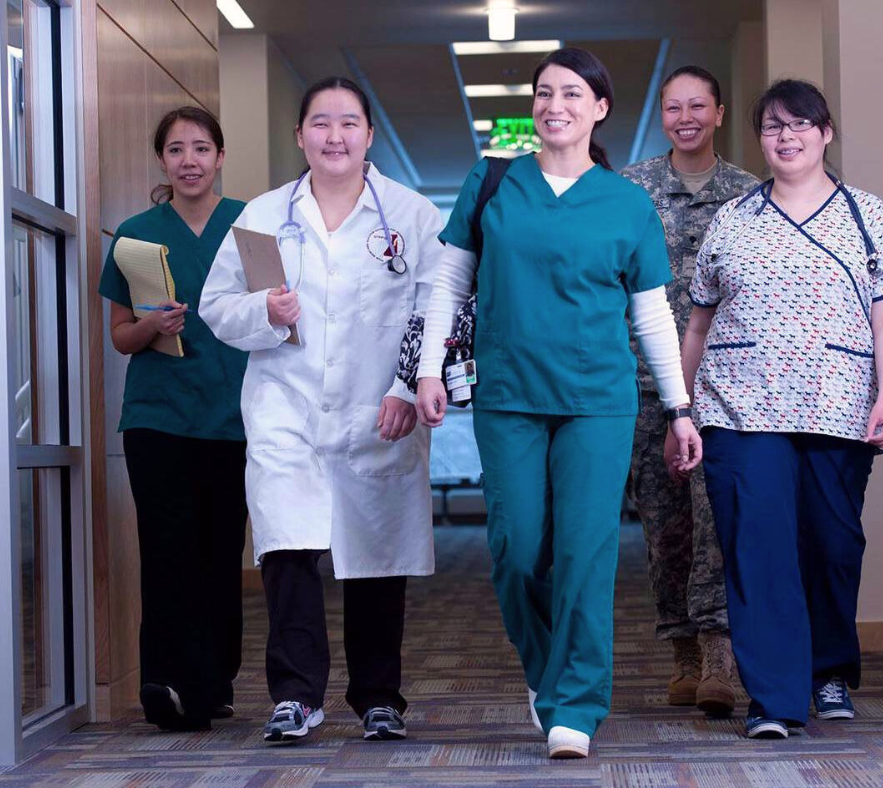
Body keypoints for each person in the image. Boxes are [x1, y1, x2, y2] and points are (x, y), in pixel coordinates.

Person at [415, 47, 701, 759]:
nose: (554, 105)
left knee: (585, 551)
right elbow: (449, 284)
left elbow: (652, 316)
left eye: (572, 94)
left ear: (599, 108)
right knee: (516, 550)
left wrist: (679, 406)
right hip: (507, 393)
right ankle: (548, 675)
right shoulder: (492, 181)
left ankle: (577, 700)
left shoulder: (627, 202)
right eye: (544, 93)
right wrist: (426, 370)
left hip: (596, 399)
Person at [199, 77, 442, 745]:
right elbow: (219, 307)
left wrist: (404, 389)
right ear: (301, 134)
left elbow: (434, 309)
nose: (335, 136)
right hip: (287, 404)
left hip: (378, 408)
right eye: (321, 123)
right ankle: (297, 696)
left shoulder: (412, 215)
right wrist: (265, 313)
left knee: (376, 553)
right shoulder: (264, 217)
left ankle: (378, 697)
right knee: (288, 547)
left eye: (349, 123)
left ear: (369, 134)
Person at [682, 79, 883, 739]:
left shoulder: (867, 215)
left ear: (825, 133)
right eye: (772, 127)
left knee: (832, 544)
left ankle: (829, 670)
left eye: (799, 125)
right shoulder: (735, 218)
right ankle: (776, 699)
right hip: (740, 406)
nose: (786, 138)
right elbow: (698, 326)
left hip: (838, 407)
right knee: (758, 548)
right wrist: (683, 409)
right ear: (759, 139)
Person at [98, 107, 249, 731]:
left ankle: (212, 682)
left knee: (219, 551)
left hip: (234, 417)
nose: (189, 160)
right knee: (166, 552)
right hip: (157, 419)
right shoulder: (135, 235)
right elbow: (120, 339)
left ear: (219, 157)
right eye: (177, 149)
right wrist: (150, 325)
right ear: (161, 159)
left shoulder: (250, 226)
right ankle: (164, 685)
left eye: (202, 148)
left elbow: (278, 315)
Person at [621, 66, 759, 716]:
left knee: (719, 522)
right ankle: (680, 651)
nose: (685, 117)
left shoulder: (750, 194)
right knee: (666, 527)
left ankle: (718, 659)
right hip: (648, 386)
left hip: (726, 389)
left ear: (719, 112)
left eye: (697, 105)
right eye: (673, 107)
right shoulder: (632, 189)